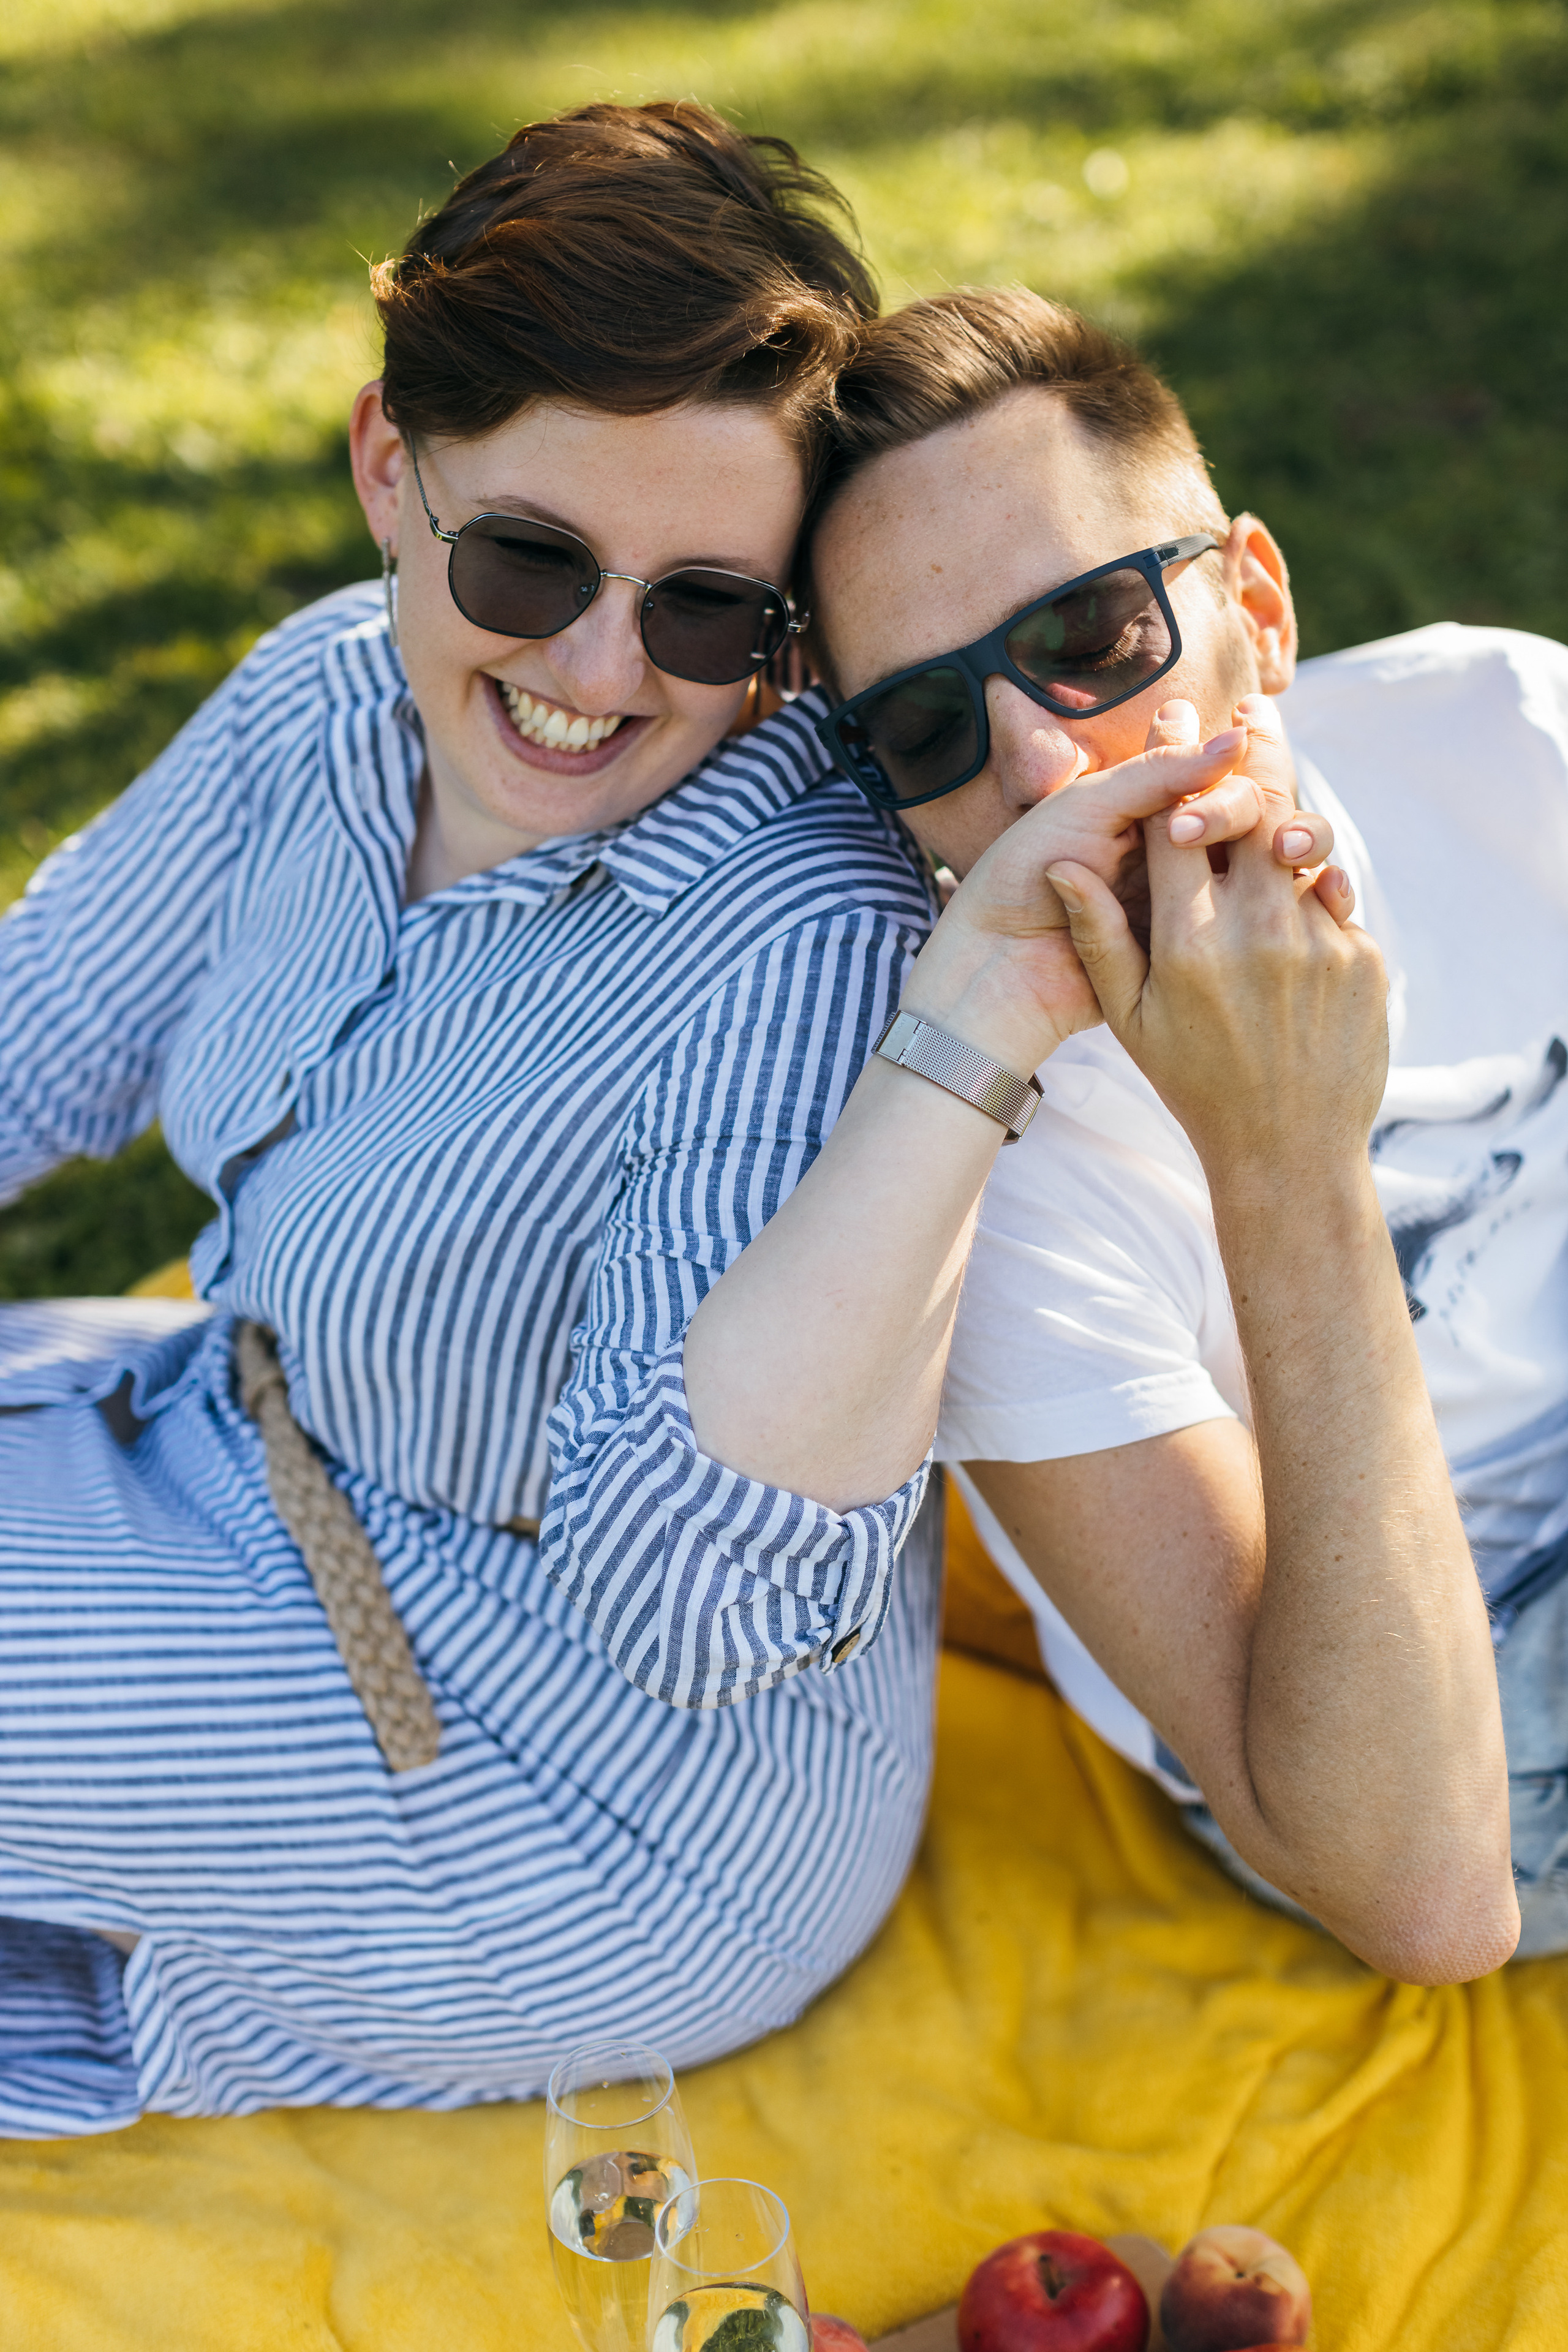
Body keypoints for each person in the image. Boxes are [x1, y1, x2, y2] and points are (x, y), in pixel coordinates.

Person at [0, 104, 1299, 2137]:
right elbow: (39, 1025)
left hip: (581, 1782)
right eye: (528, 559)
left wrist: (968, 1020)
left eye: (713, 611)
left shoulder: (793, 935)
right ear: (385, 472)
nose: (603, 673)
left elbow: (688, 1604)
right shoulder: (326, 701)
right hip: (252, 1474)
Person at [802, 286, 1528, 1984]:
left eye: (1091, 633)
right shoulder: (973, 1191)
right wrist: (1283, 1155)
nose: (1047, 764)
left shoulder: (1506, 733)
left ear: (1255, 611)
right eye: (926, 727)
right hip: (1410, 1730)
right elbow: (1426, 1887)